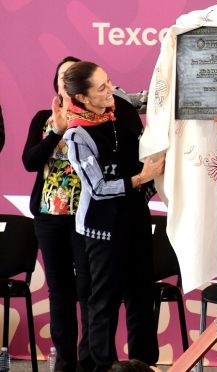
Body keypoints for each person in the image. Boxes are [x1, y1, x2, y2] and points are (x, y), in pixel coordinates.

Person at [61, 61, 164, 372]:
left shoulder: (118, 101)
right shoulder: (77, 136)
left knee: (142, 294)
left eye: (108, 82)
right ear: (82, 98)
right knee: (104, 300)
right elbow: (98, 188)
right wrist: (142, 177)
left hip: (136, 217)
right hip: (102, 227)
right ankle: (103, 366)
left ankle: (144, 364)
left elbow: (152, 100)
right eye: (101, 88)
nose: (111, 91)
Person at [22, 56, 94, 372]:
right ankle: (65, 362)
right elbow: (29, 162)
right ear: (57, 83)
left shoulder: (98, 117)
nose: (66, 80)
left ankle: (90, 361)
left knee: (88, 289)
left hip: (87, 216)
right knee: (59, 290)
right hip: (49, 216)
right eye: (62, 75)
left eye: (72, 75)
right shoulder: (42, 118)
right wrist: (57, 132)